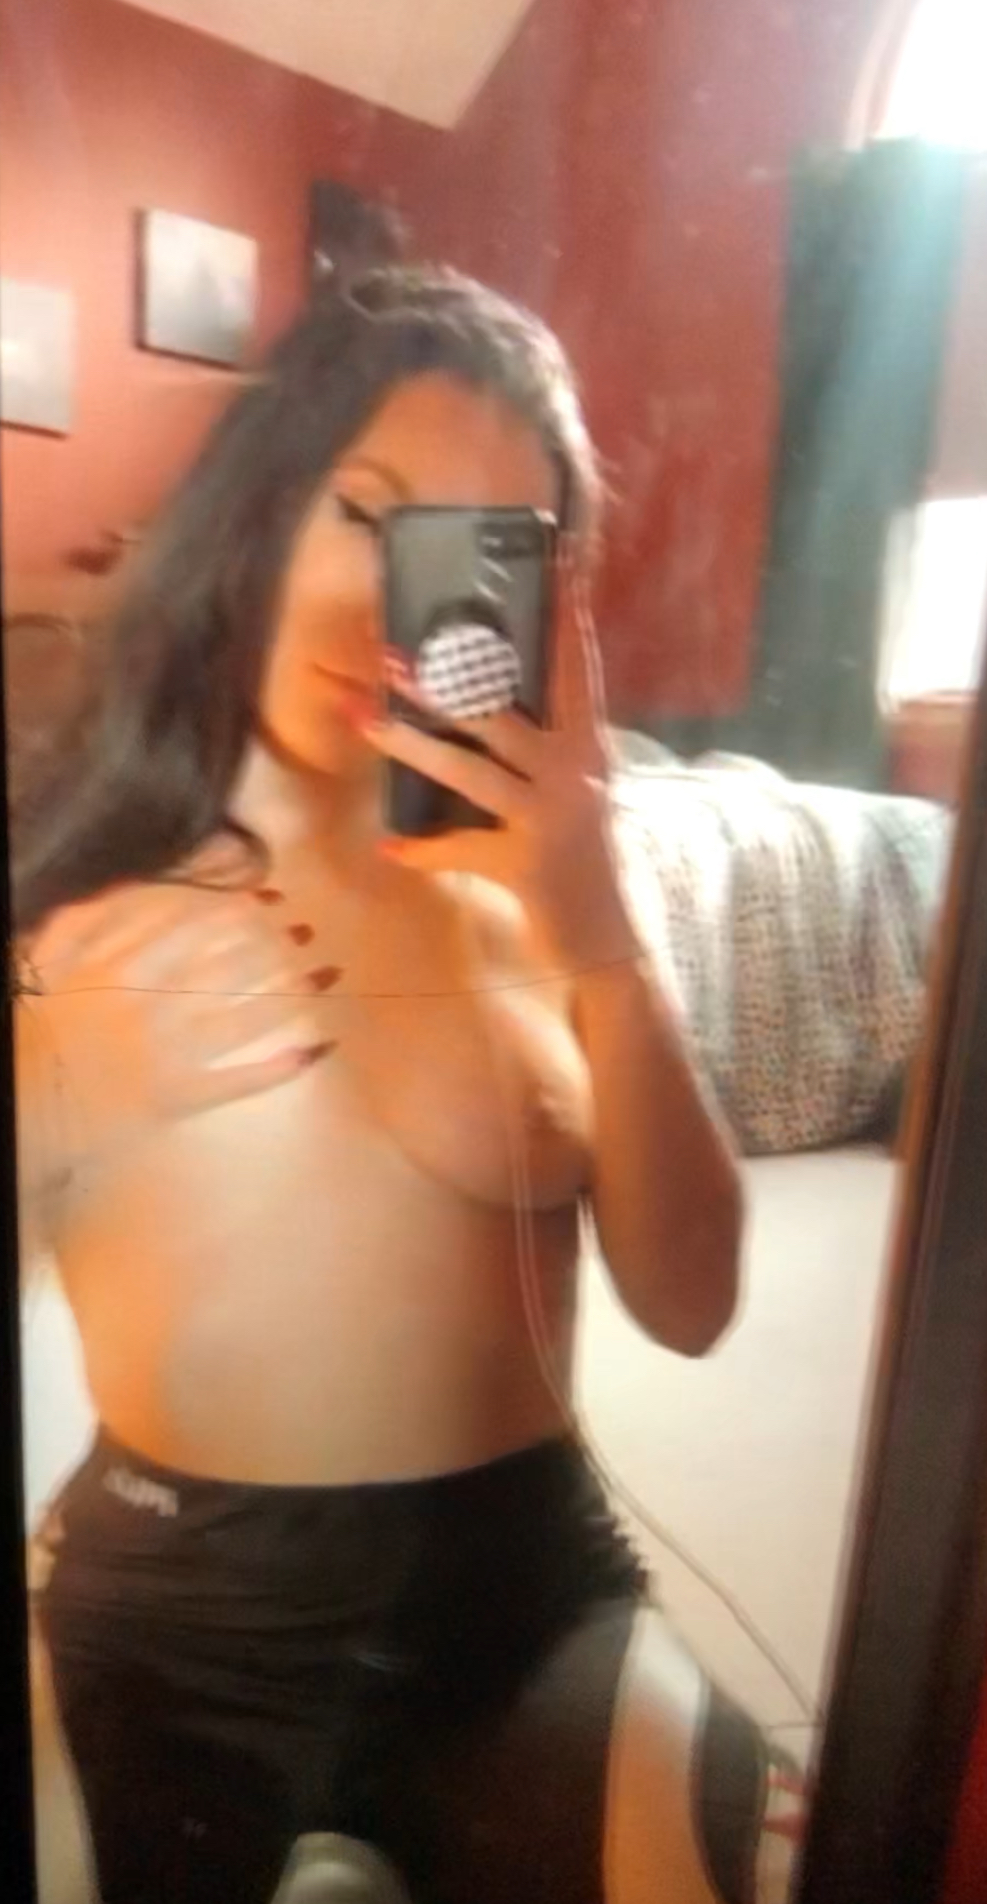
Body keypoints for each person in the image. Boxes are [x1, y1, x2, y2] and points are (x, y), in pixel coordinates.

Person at [15, 267, 753, 1904]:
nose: (389, 615)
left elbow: (694, 1302)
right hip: (181, 1593)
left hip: (522, 1587)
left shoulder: (541, 902)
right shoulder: (85, 896)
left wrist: (600, 933)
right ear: (261, 506)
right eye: (366, 513)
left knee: (678, 1822)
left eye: (476, 555)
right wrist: (56, 1096)